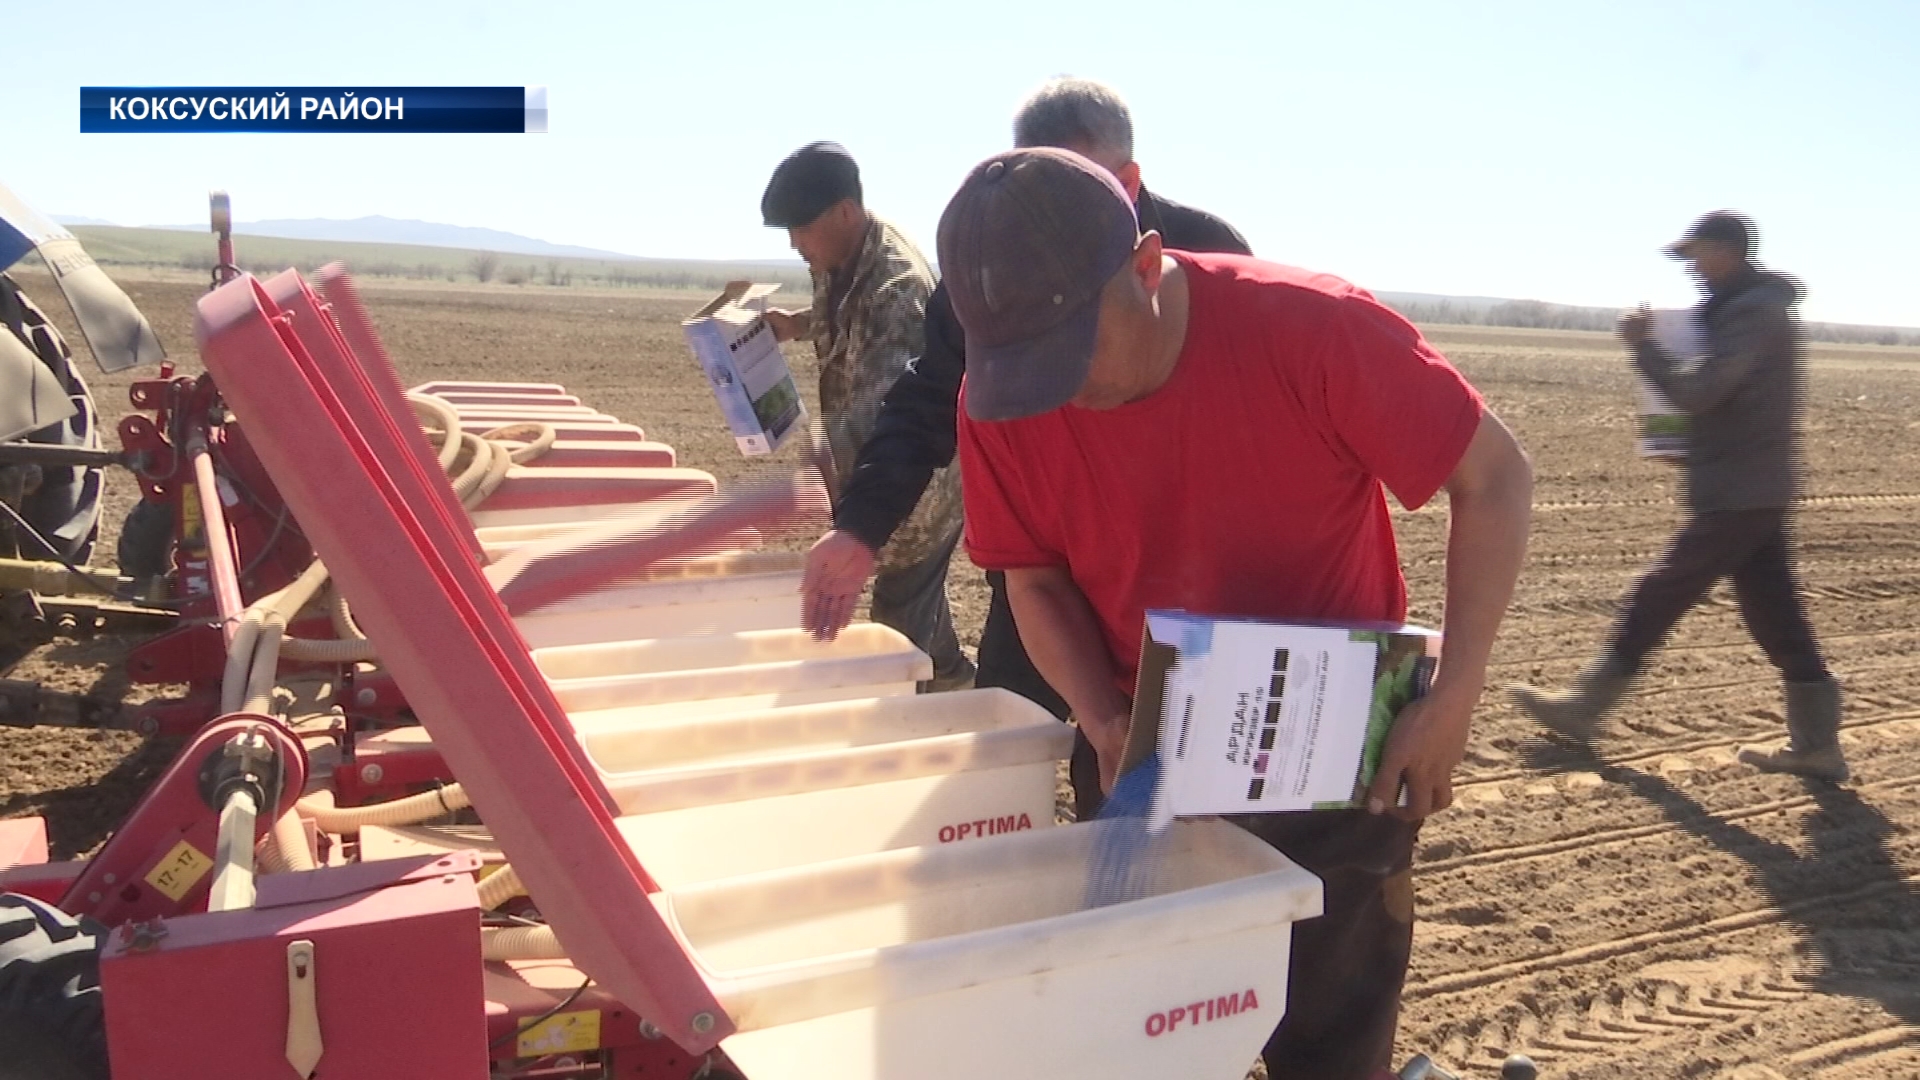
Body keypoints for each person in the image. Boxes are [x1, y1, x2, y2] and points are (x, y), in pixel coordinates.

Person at [939, 147, 1533, 1080]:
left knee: (1329, 1040)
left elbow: (1495, 478)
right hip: (1144, 750)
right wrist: (1100, 715)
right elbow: (1032, 575)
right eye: (1020, 364)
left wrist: (1455, 693)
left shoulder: (1313, 331)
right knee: (1144, 1040)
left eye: (1069, 349)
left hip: (1329, 744)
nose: (1055, 391)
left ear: (1145, 266)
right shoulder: (1000, 402)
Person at [798, 78, 1251, 816]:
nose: (1044, 218)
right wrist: (859, 527)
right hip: (1045, 561)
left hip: (1175, 569)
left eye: (1074, 188)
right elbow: (926, 401)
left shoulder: (1214, 255)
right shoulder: (994, 259)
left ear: (1128, 184)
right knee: (1006, 737)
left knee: (1140, 775)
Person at [1508, 211, 1845, 780]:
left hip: (1742, 491)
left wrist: (1644, 349)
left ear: (1732, 251)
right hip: (1748, 487)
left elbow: (1701, 391)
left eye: (1699, 253)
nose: (1691, 265)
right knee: (1776, 618)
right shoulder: (1739, 310)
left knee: (1659, 594)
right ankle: (1817, 747)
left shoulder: (1753, 313)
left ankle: (1584, 708)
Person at [757, 141, 974, 689]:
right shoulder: (840, 253)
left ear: (845, 212)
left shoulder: (897, 291)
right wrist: (798, 324)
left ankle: (942, 696)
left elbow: (891, 413)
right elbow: (848, 318)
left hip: (913, 490)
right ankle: (951, 675)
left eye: (802, 229)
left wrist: (808, 467)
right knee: (915, 606)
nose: (795, 243)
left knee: (898, 621)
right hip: (880, 477)